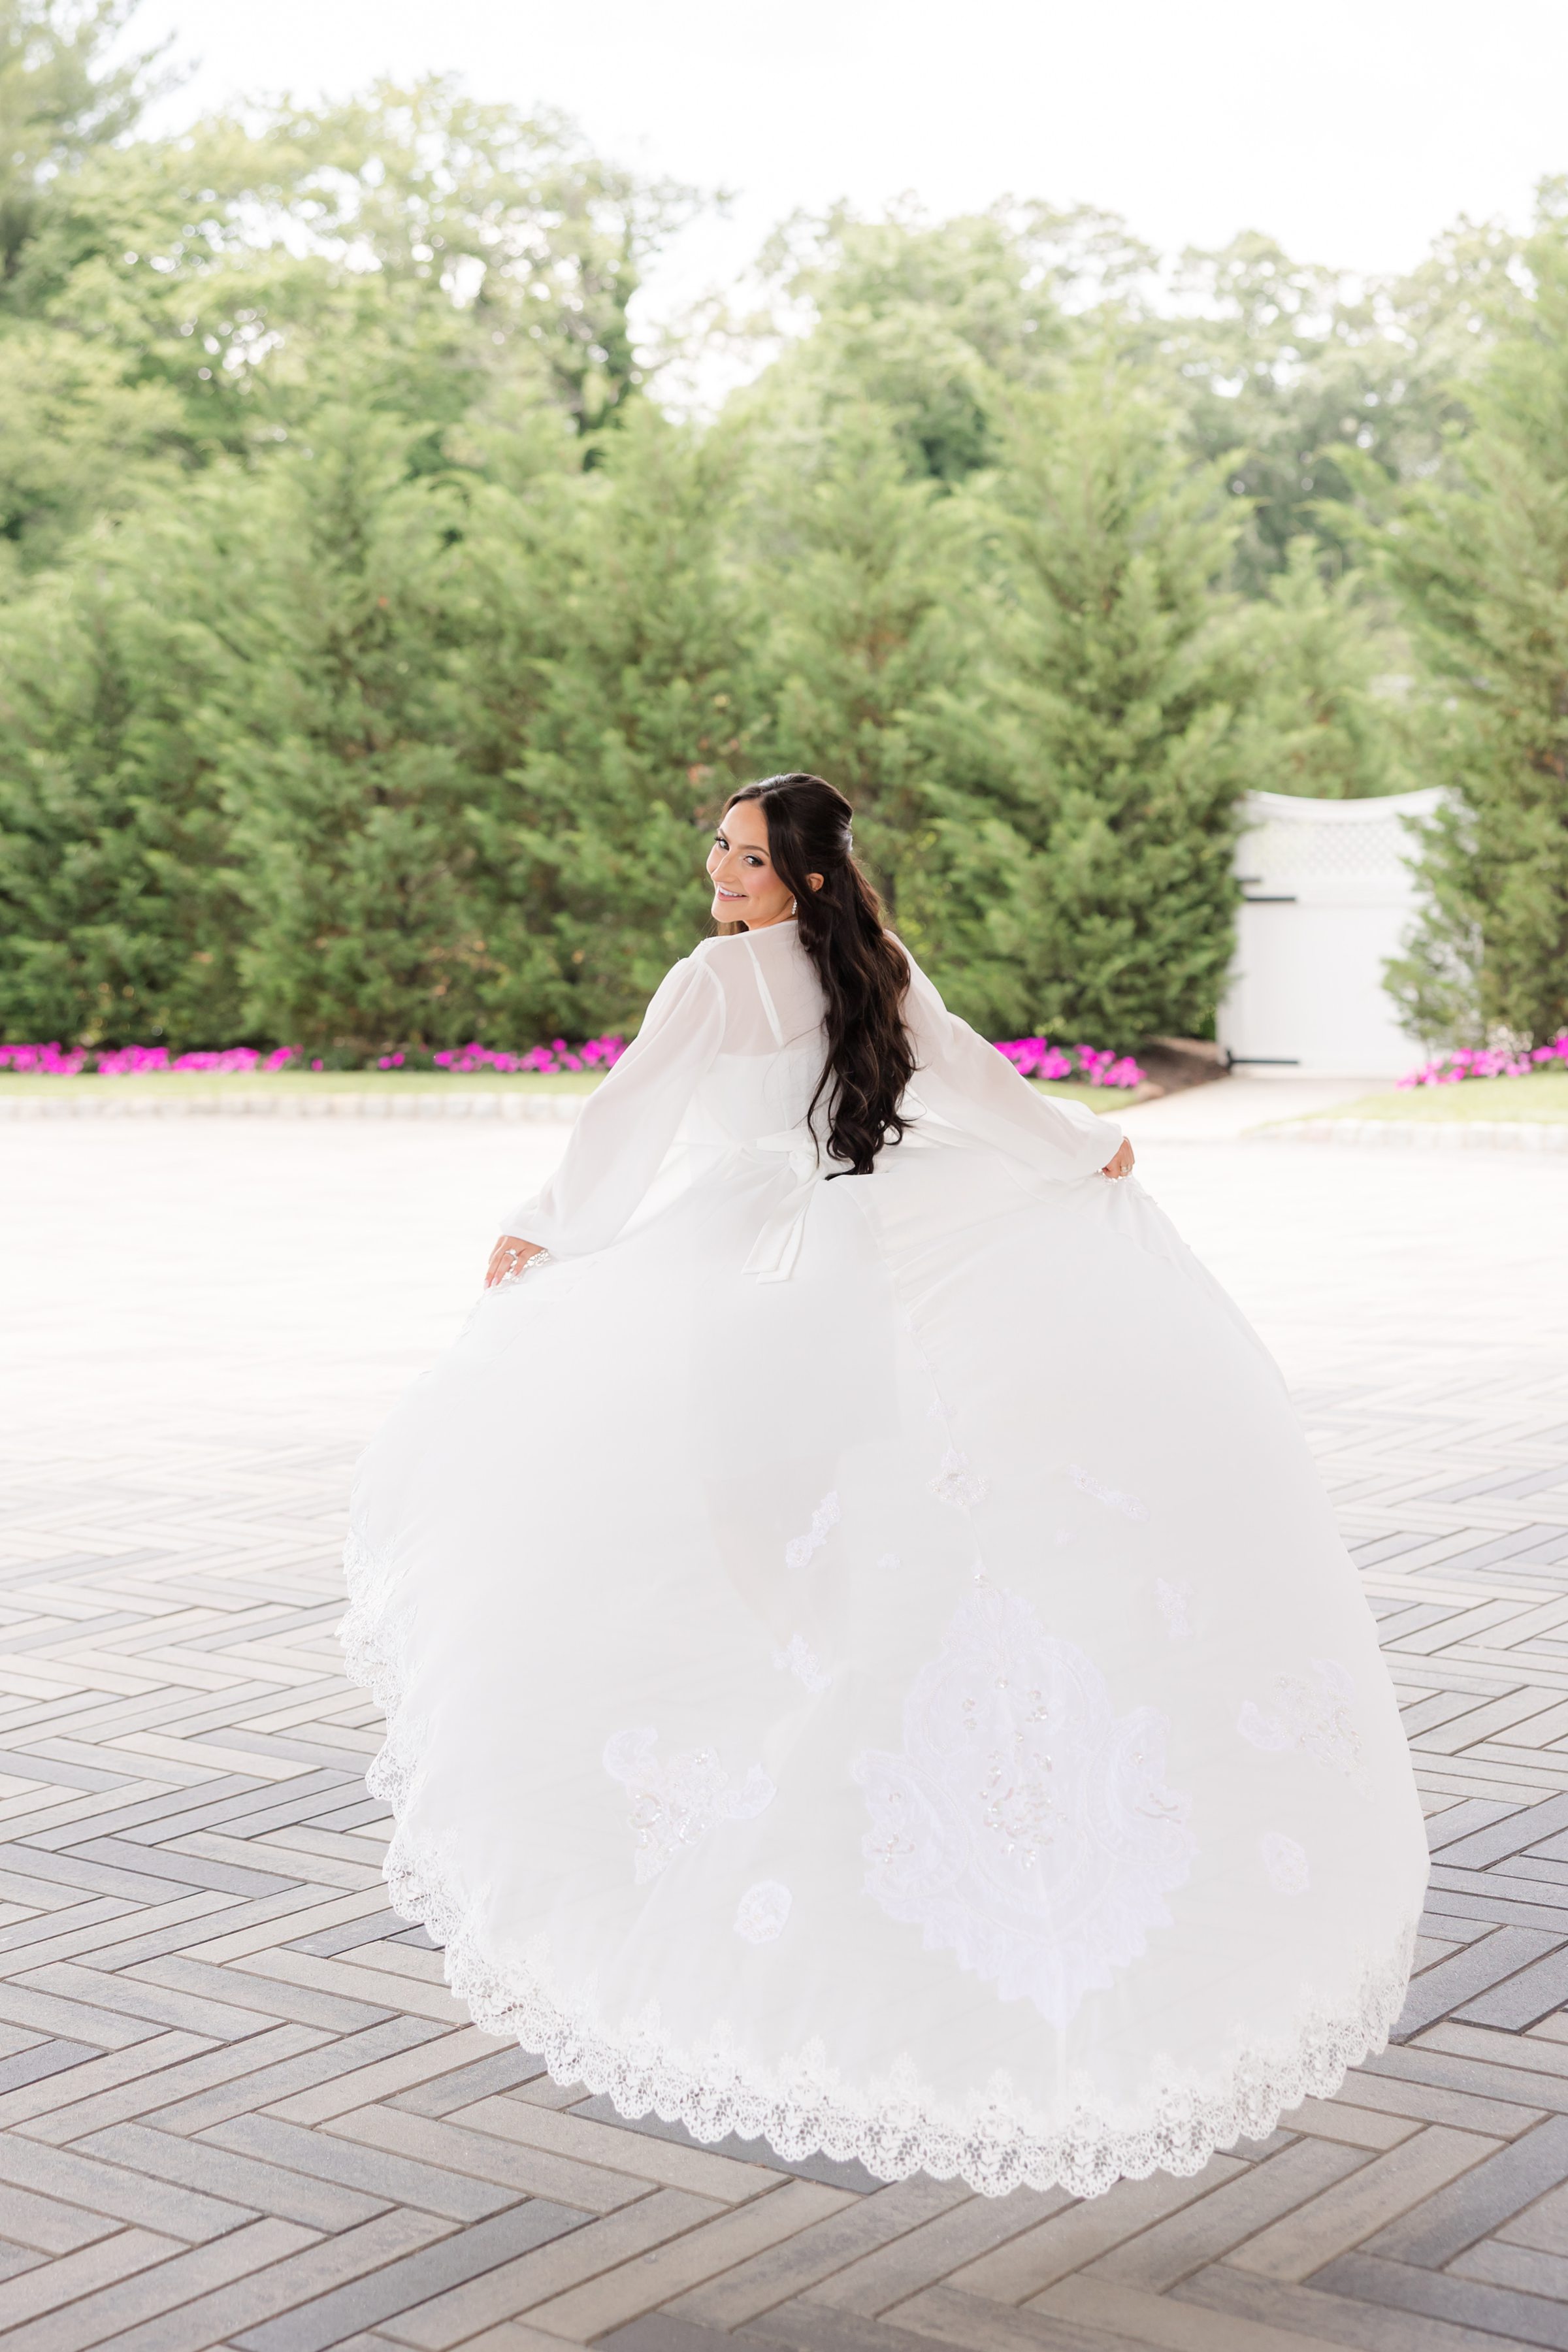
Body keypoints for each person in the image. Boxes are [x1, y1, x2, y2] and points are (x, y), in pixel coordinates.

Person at [344, 771, 1427, 2199]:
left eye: (739, 854)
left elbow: (626, 1121)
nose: (716, 868)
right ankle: (838, 1667)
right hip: (855, 1264)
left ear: (793, 875)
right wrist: (1073, 1144)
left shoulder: (716, 982)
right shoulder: (868, 963)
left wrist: (549, 1227)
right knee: (815, 1494)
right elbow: (968, 1074)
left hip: (748, 1273)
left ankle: (816, 1685)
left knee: (742, 1500)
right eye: (719, 850)